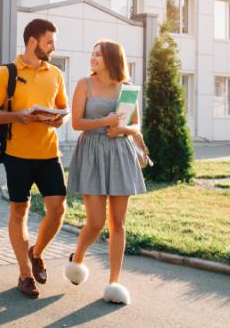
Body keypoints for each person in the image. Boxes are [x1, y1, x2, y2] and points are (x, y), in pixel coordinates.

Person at [0, 18, 69, 299]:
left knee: (58, 210)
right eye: (49, 42)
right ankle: (24, 274)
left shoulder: (55, 73)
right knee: (18, 212)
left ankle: (37, 252)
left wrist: (57, 120)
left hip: (48, 153)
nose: (53, 47)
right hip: (17, 155)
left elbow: (61, 108)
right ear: (33, 42)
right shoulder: (5, 73)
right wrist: (17, 116)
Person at [64, 39, 147, 305]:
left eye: (98, 55)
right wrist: (107, 121)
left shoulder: (126, 89)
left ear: (111, 59)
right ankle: (77, 258)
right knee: (97, 221)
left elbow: (136, 124)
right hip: (92, 152)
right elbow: (77, 123)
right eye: (92, 53)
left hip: (120, 154)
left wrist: (122, 129)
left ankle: (114, 282)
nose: (93, 58)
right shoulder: (84, 84)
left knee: (118, 223)